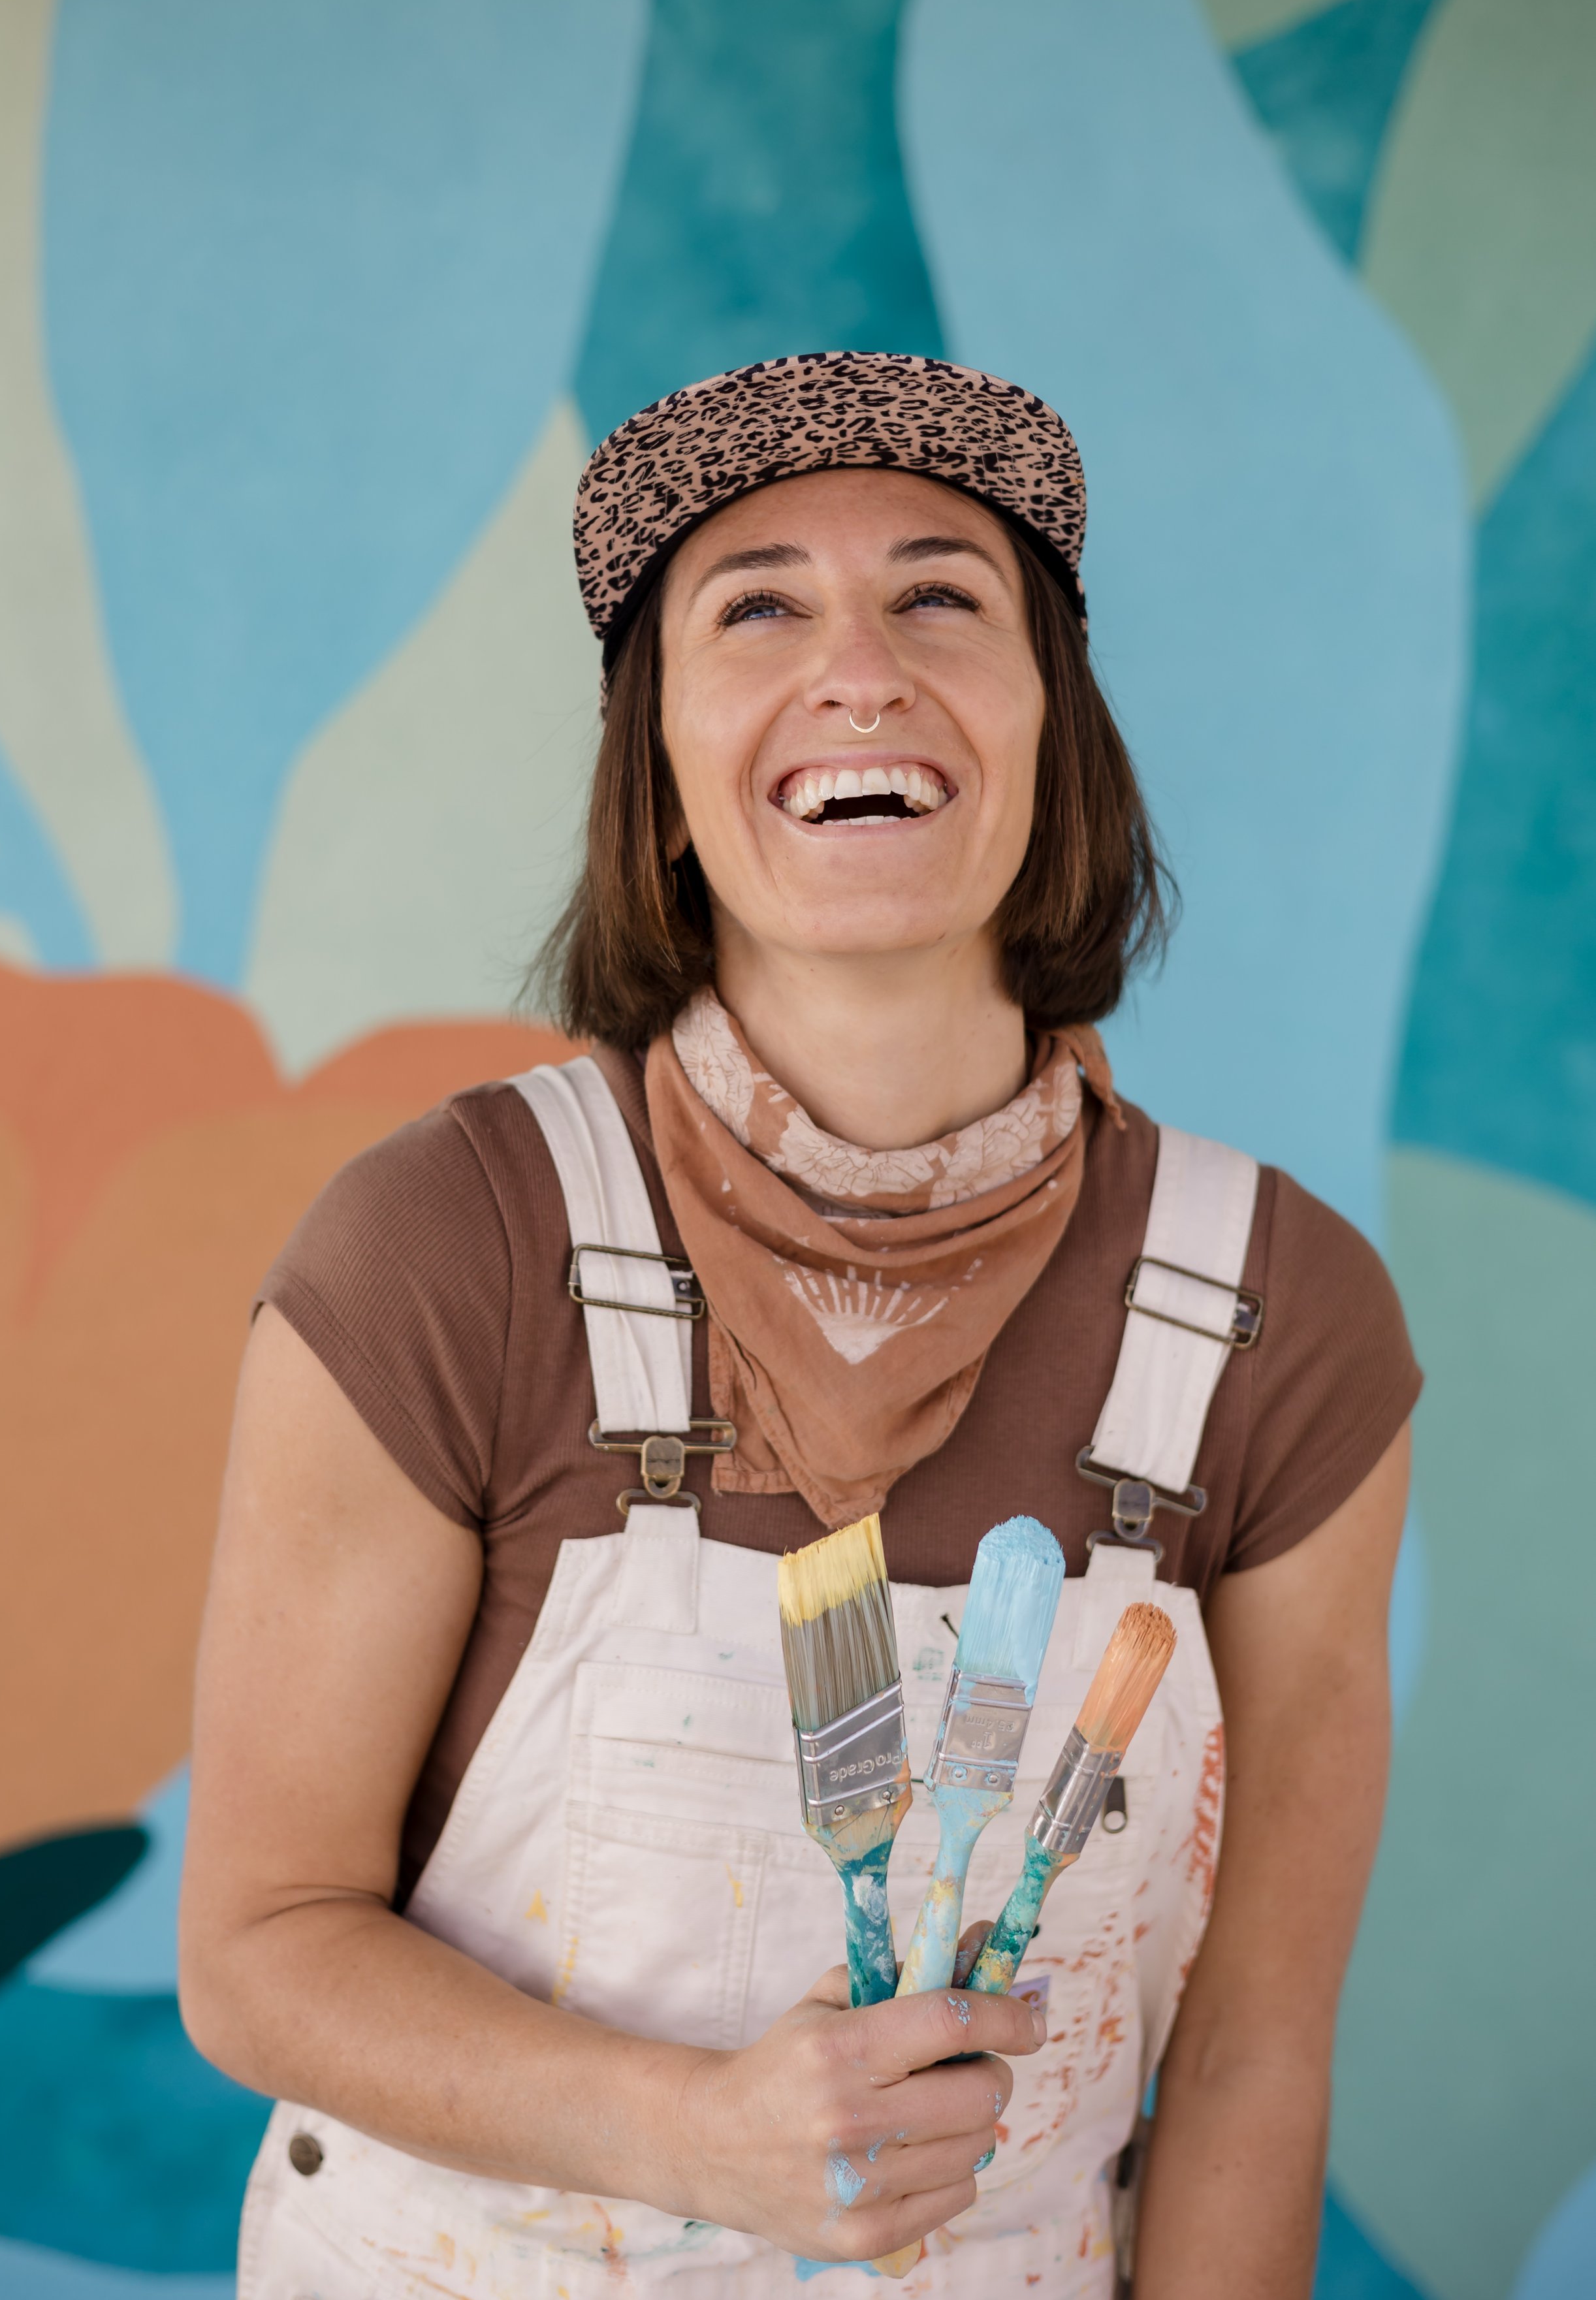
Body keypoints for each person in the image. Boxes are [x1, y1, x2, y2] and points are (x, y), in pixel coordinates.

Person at [182, 353, 1418, 2300]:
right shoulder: (448, 1247)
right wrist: (689, 2138)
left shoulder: (1281, 1315)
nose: (859, 666)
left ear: (1050, 731)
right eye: (754, 605)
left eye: (942, 595)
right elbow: (261, 1949)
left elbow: (1251, 2061)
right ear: (659, 770)